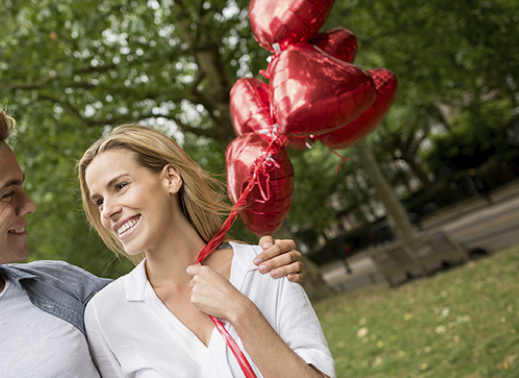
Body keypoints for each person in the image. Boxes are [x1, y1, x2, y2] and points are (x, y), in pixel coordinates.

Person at [0, 109, 304, 377]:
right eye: (8, 194)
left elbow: (165, 295)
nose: (30, 204)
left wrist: (253, 264)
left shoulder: (66, 290)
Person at [78, 124, 334, 378]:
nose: (108, 210)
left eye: (120, 186)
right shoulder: (105, 314)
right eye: (99, 201)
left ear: (170, 178)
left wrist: (241, 312)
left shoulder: (266, 267)